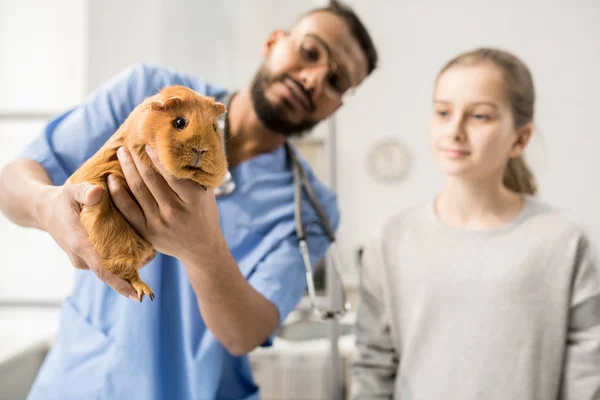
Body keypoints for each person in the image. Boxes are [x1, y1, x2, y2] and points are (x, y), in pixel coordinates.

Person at [0, 2, 378, 399]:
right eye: (310, 51)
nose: (313, 78)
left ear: (338, 105)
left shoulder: (313, 208)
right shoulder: (148, 95)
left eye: (336, 81)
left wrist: (203, 248)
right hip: (87, 380)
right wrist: (49, 207)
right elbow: (12, 183)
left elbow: (245, 334)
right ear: (274, 42)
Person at [350, 47, 600, 399]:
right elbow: (372, 368)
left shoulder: (563, 241)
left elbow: (587, 374)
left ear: (520, 138)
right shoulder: (392, 239)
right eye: (442, 112)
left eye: (479, 116)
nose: (454, 130)